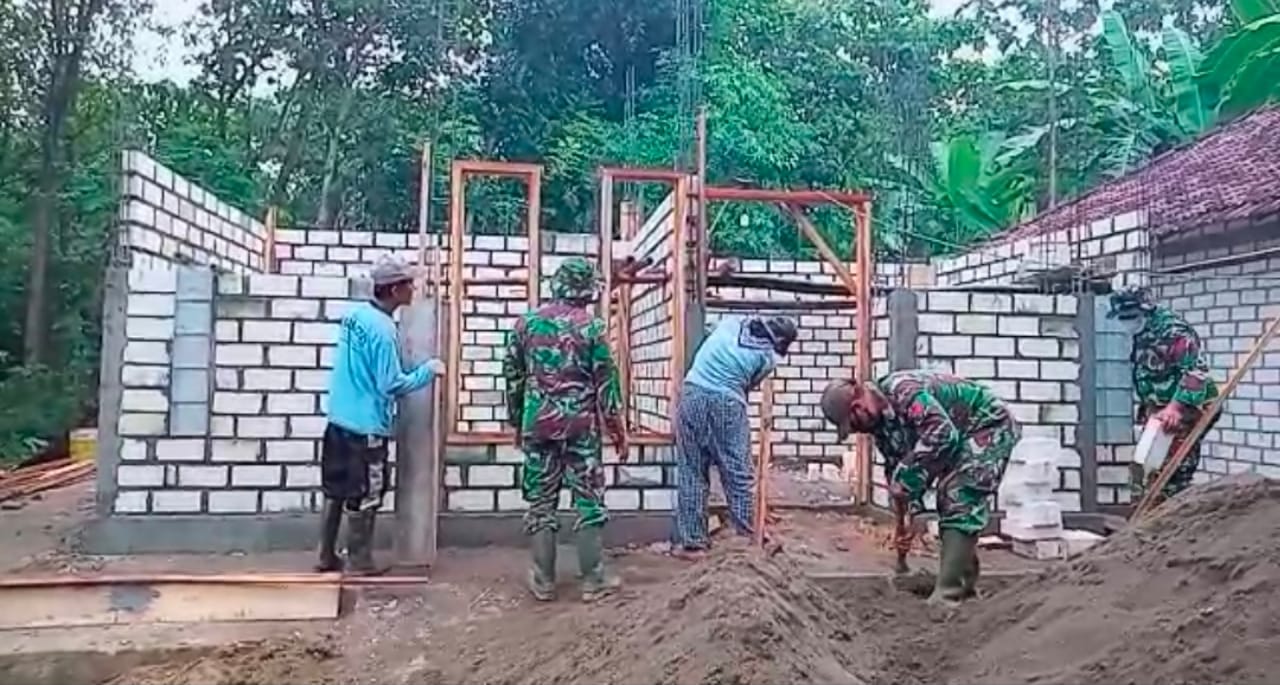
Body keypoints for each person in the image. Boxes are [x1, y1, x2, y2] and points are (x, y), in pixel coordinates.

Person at [820, 370, 1020, 603]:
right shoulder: (881, 426)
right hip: (959, 434)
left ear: (858, 402)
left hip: (988, 423)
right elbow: (897, 472)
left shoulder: (903, 390)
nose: (858, 430)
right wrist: (906, 518)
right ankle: (964, 588)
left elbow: (942, 435)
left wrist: (906, 478)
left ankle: (948, 595)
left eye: (854, 423)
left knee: (958, 494)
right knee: (951, 495)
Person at [502, 256, 626, 602]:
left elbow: (512, 378)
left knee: (541, 501)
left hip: (538, 425)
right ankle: (593, 580)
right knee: (588, 500)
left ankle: (543, 580)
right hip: (580, 428)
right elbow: (606, 386)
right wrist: (617, 431)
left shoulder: (525, 325)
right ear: (586, 290)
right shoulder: (592, 328)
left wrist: (517, 422)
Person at [317, 255, 445, 576]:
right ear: (394, 290)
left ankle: (325, 555)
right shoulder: (384, 330)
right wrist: (428, 371)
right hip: (366, 428)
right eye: (408, 284)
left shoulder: (354, 316)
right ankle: (359, 562)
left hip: (338, 419)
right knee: (367, 493)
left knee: (335, 488)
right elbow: (392, 384)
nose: (413, 289)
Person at [671, 314, 797, 559]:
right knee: (738, 472)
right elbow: (747, 385)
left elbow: (707, 331)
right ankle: (752, 536)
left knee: (691, 471)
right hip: (727, 403)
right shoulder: (767, 358)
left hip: (691, 394)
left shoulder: (730, 323)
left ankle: (693, 544)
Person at [1108, 285, 1219, 504]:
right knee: (1144, 468)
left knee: (1172, 469)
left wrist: (1176, 408)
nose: (1126, 322)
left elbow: (1196, 372)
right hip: (1160, 407)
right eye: (1122, 317)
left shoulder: (1174, 332)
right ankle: (1147, 512)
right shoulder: (1140, 333)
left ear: (1146, 310)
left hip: (1190, 406)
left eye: (1131, 316)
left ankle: (1174, 513)